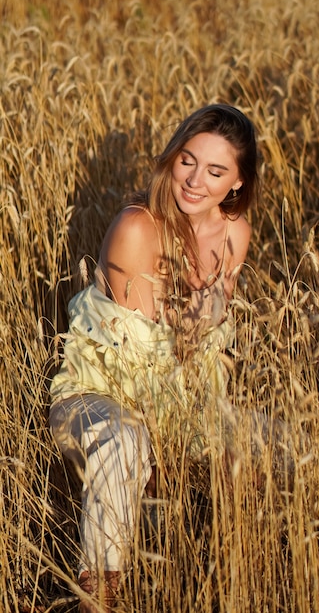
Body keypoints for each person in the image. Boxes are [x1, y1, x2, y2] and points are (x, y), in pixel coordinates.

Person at [49, 104, 259, 612]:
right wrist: (194, 329)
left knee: (274, 449)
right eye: (188, 160)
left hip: (178, 409)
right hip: (95, 402)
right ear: (172, 157)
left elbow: (205, 369)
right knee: (127, 440)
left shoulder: (234, 233)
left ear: (236, 183)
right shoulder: (137, 228)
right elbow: (138, 371)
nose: (194, 180)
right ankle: (97, 599)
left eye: (215, 171)